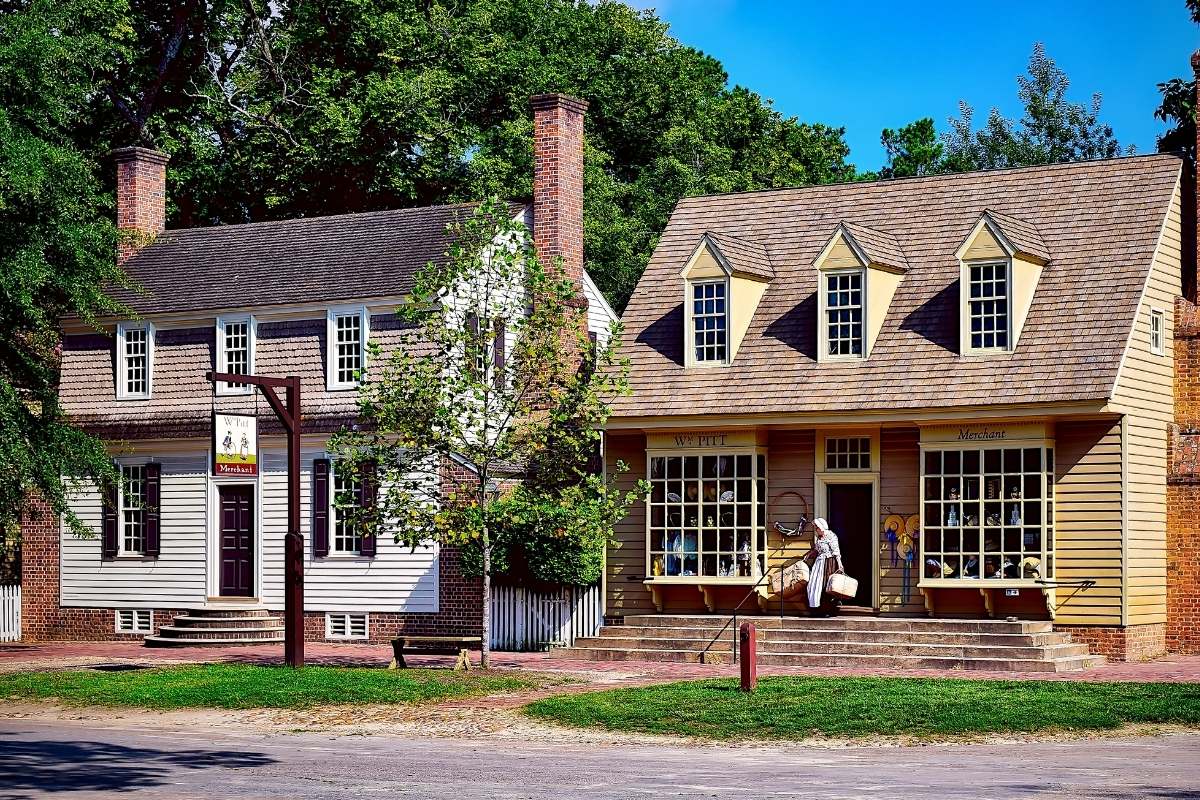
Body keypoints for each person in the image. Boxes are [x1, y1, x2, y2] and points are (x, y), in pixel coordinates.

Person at [806, 517, 845, 617]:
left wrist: (840, 565)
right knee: (814, 585)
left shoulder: (831, 536)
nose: (816, 530)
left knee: (826, 585)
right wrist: (809, 555)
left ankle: (827, 610)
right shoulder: (818, 538)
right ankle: (816, 609)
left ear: (822, 527)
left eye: (817, 528)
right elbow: (817, 550)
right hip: (819, 564)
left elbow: (836, 551)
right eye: (815, 528)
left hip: (829, 563)